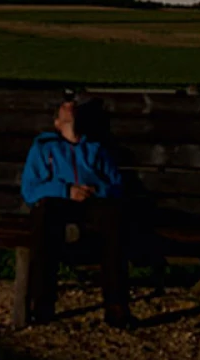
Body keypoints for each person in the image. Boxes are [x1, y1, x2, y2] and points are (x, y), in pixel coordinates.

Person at [19, 98, 132, 328]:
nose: (70, 107)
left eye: (73, 107)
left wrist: (97, 190)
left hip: (93, 200)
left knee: (114, 220)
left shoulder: (95, 148)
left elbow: (116, 185)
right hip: (59, 200)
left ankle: (116, 306)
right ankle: (42, 303)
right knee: (44, 219)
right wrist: (65, 190)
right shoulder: (44, 147)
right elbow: (30, 189)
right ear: (57, 122)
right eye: (64, 107)